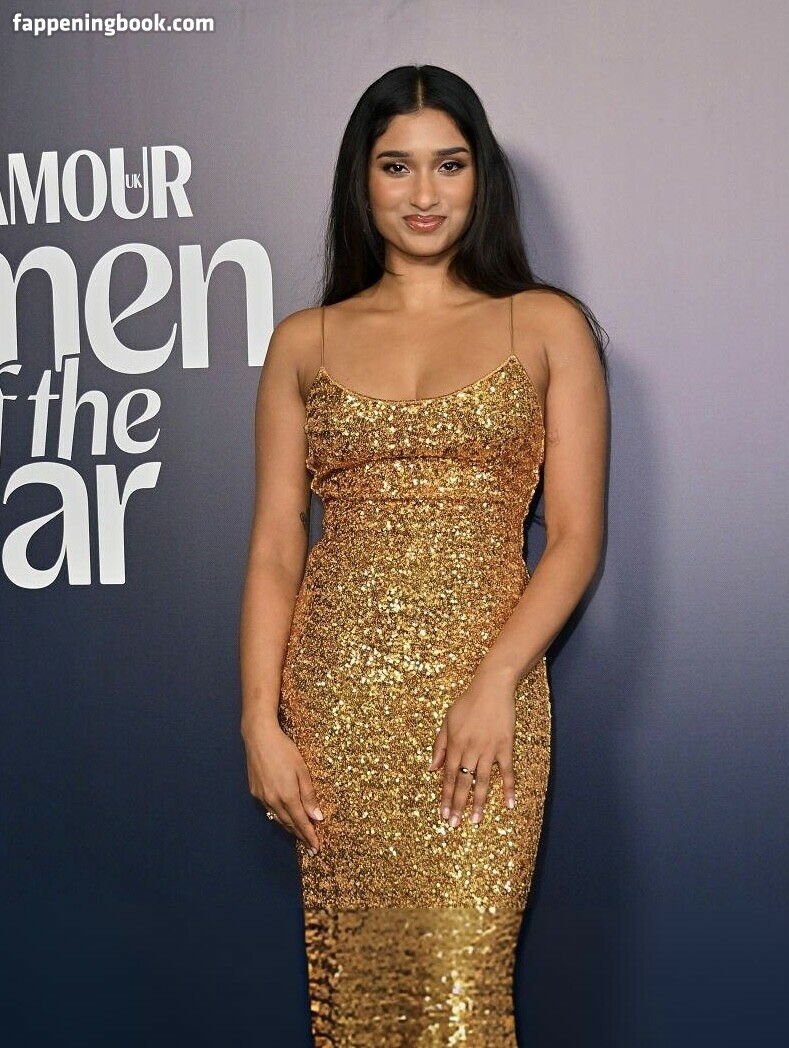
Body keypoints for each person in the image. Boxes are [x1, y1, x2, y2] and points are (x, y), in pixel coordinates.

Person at [239, 64, 608, 1047]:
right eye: (396, 166)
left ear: (480, 176)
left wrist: (495, 682)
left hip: (485, 694)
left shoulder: (546, 324)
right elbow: (275, 544)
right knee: (359, 1001)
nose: (423, 193)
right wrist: (259, 720)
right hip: (338, 704)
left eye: (448, 164)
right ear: (361, 181)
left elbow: (575, 537)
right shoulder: (304, 342)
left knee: (458, 994)